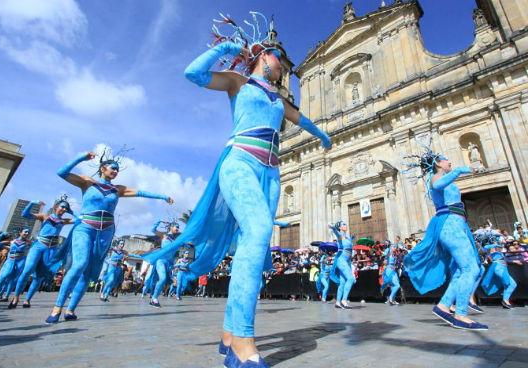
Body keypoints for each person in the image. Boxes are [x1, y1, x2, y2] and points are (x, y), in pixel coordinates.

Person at [143, 11, 331, 368]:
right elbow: (192, 73)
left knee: (253, 248)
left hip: (271, 174)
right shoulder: (238, 83)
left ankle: (228, 332)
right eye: (279, 58)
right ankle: (242, 340)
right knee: (260, 230)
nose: (283, 66)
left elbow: (302, 120)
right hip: (241, 162)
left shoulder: (280, 100)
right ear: (264, 56)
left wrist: (323, 136)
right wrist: (228, 47)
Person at [45, 149, 173, 323]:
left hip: (105, 231)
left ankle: (71, 310)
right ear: (103, 168)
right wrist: (82, 157)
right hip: (85, 227)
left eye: (117, 169)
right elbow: (62, 172)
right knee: (80, 264)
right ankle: (56, 308)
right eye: (112, 167)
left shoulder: (117, 189)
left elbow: (142, 193)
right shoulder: (88, 183)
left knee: (89, 272)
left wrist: (163, 196)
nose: (115, 171)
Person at [404, 147, 487, 330]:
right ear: (438, 163)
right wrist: (458, 171)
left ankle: (444, 306)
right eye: (446, 160)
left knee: (461, 270)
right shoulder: (434, 178)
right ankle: (461, 315)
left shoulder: (446, 179)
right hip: (449, 224)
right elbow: (437, 186)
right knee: (470, 268)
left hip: (457, 224)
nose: (450, 162)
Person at [9, 197, 74, 309]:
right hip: (39, 245)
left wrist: (72, 212)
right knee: (27, 270)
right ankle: (16, 297)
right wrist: (31, 203)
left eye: (66, 209)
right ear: (56, 207)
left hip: (51, 249)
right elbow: (25, 214)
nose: (63, 209)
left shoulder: (63, 221)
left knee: (39, 276)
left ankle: (28, 300)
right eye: (62, 206)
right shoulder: (45, 216)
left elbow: (79, 220)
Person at [0, 229, 31, 302]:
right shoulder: (12, 241)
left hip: (20, 262)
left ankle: (6, 296)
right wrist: (1, 235)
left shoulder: (28, 243)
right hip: (10, 261)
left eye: (28, 232)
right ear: (20, 232)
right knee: (3, 276)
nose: (27, 233)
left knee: (13, 280)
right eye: (25, 231)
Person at [329, 222, 356, 309]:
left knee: (343, 282)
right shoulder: (340, 235)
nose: (346, 225)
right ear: (340, 227)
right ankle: (344, 300)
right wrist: (333, 228)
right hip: (341, 260)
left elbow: (349, 248)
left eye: (345, 224)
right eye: (344, 224)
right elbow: (337, 233)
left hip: (347, 261)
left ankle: (337, 302)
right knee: (351, 279)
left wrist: (351, 239)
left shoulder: (347, 237)